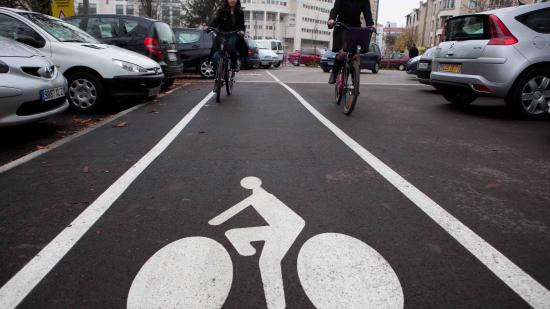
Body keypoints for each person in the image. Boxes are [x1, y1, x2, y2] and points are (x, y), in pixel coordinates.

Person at [327, 0, 375, 84]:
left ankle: (355, 82)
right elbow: (335, 9)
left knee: (356, 55)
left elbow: (367, 12)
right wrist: (331, 19)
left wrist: (371, 24)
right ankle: (334, 74)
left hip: (355, 27)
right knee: (342, 53)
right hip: (341, 26)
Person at [204, 0, 246, 71]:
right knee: (215, 49)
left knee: (230, 46)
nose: (232, 1)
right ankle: (218, 66)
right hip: (221, 33)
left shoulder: (240, 12)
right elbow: (216, 21)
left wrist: (241, 31)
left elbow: (242, 25)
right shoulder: (222, 10)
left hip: (233, 33)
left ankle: (234, 64)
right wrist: (209, 27)